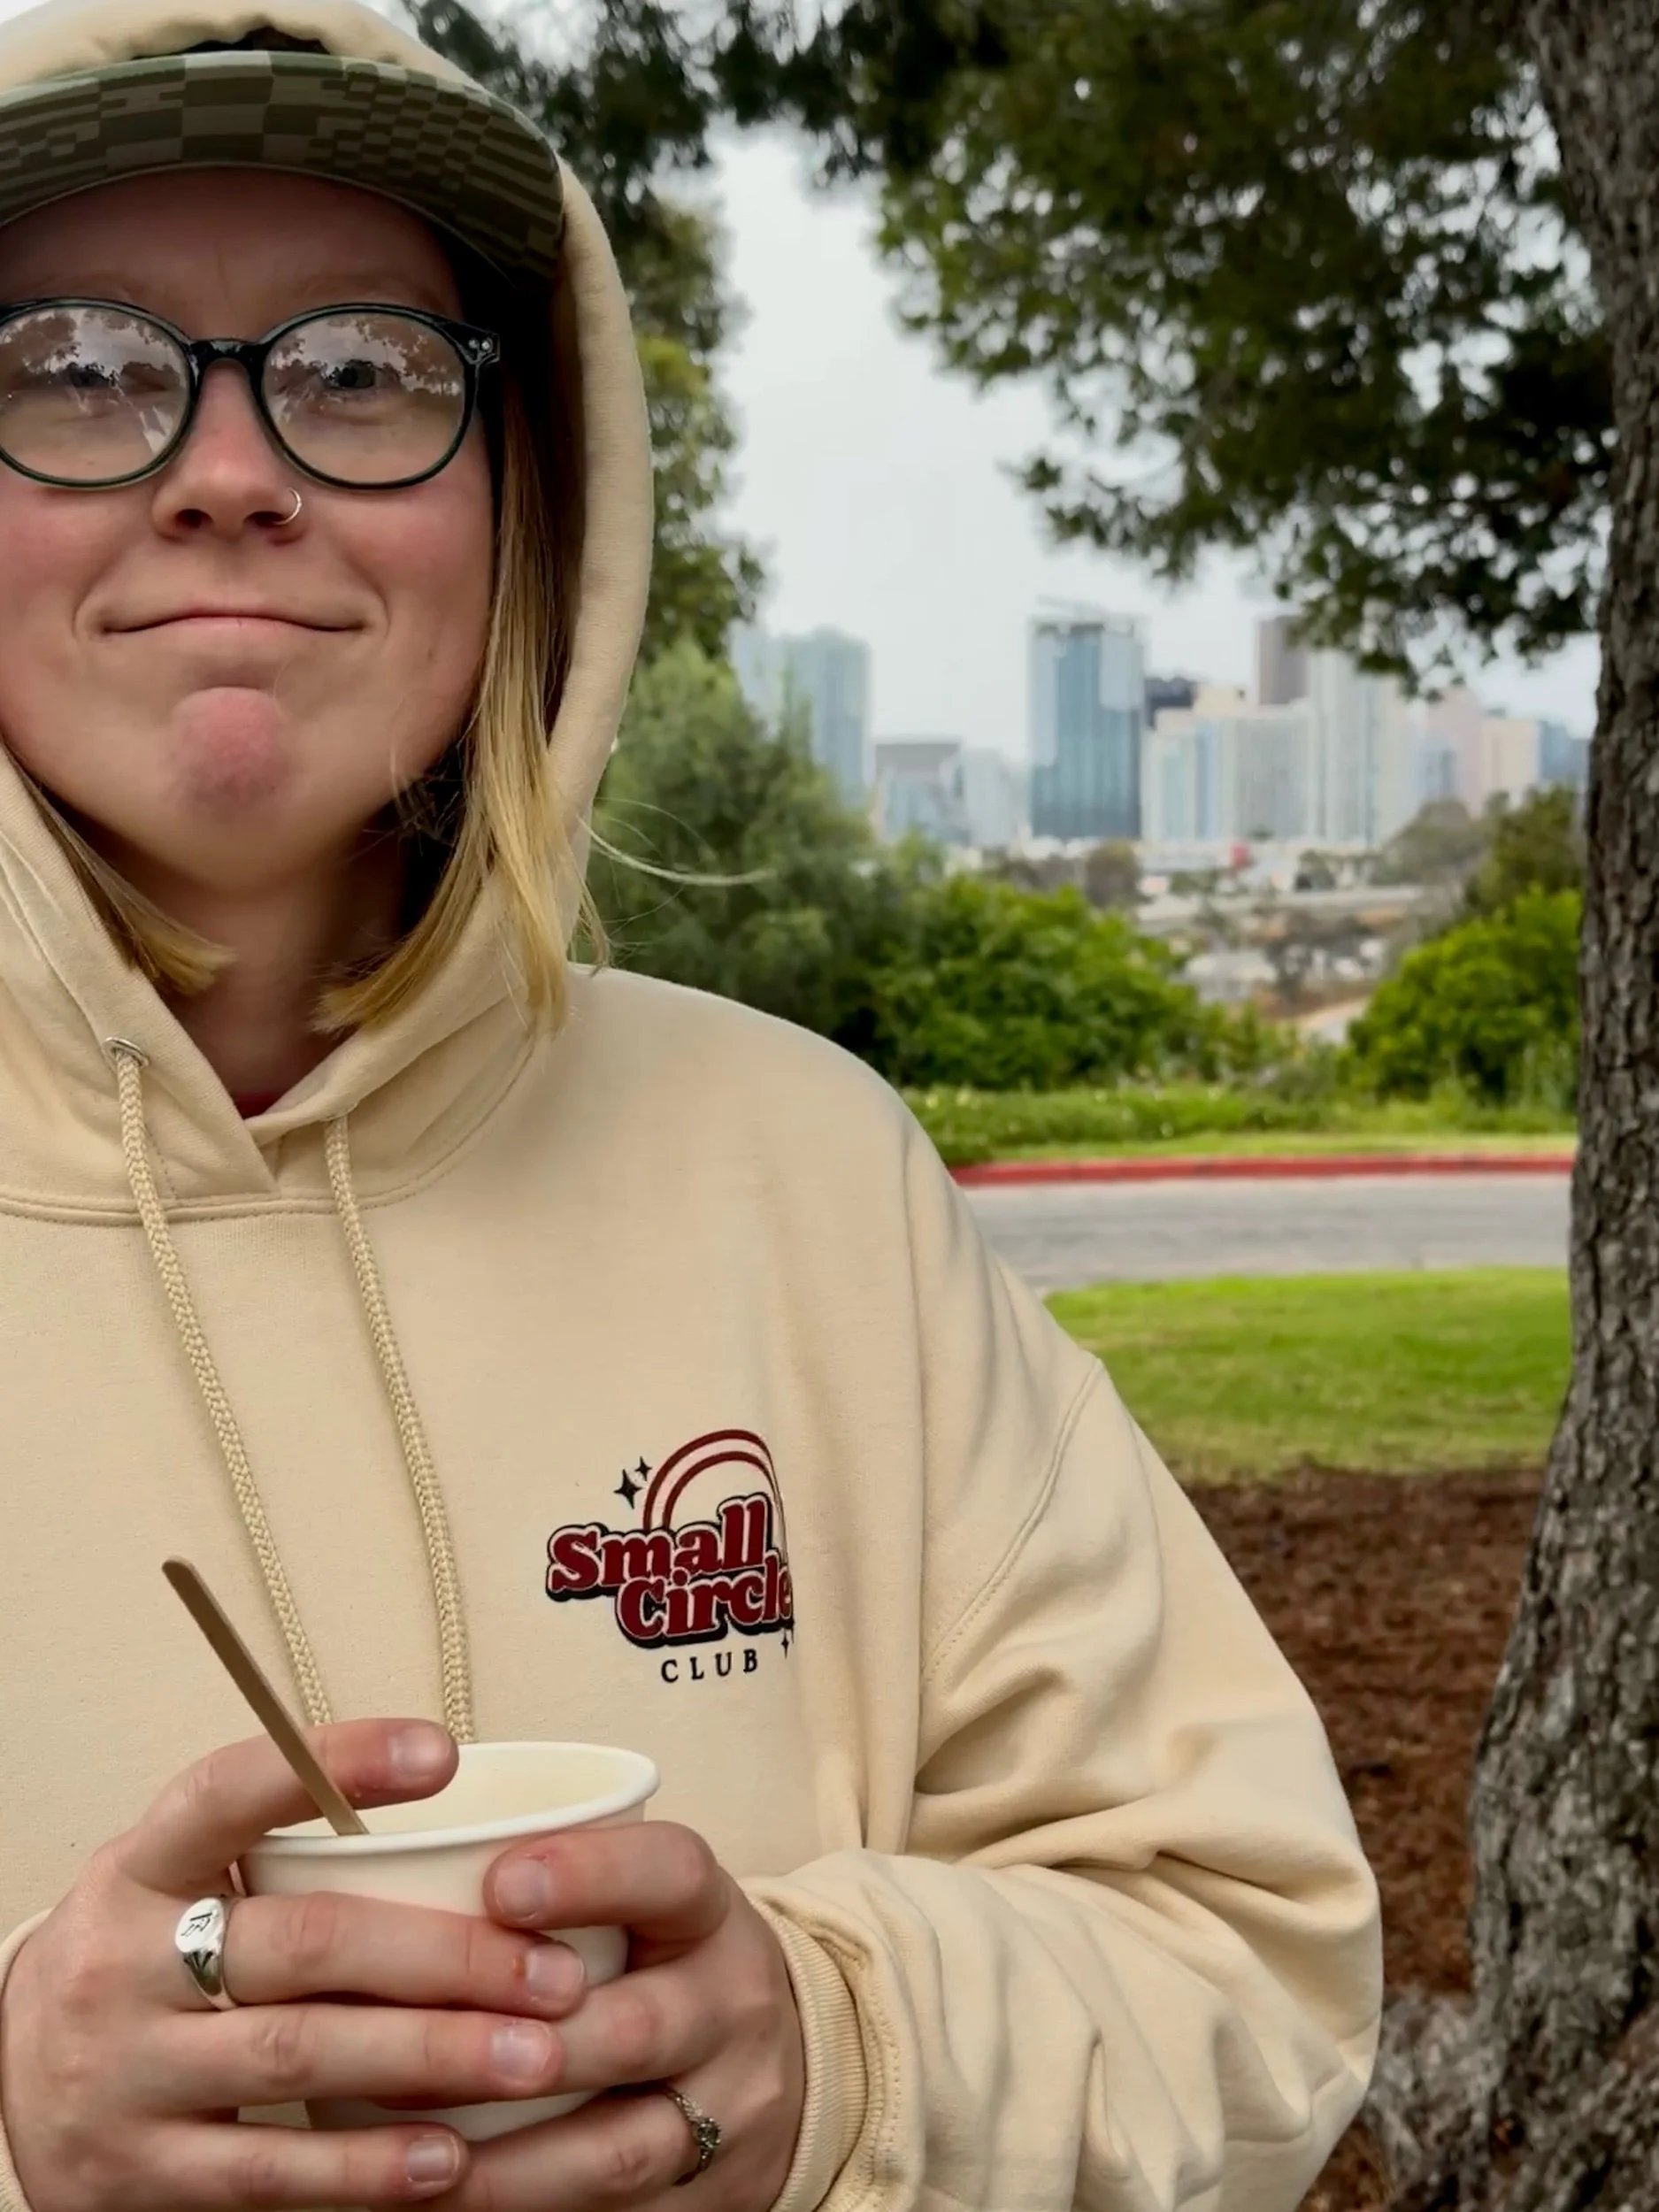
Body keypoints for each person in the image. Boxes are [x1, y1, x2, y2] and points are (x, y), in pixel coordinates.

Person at [0, 4, 1382, 2208]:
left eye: (361, 369)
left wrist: (833, 2055)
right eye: (74, 365)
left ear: (525, 493)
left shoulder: (810, 1176)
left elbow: (1247, 1954)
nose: (229, 467)